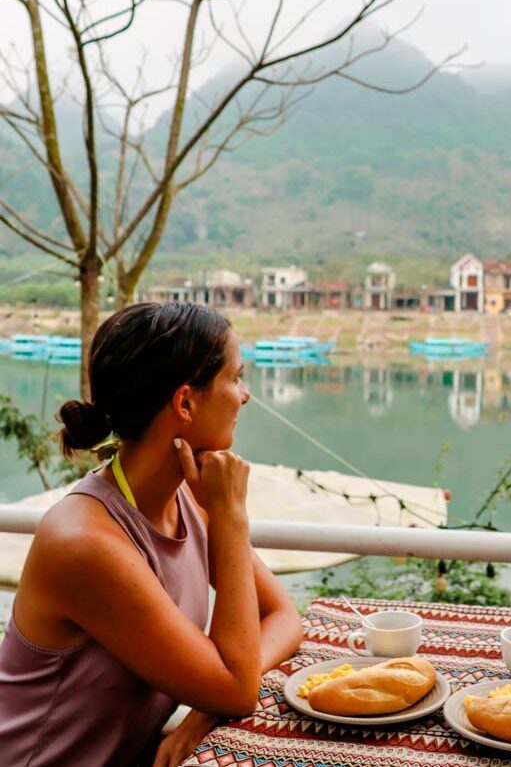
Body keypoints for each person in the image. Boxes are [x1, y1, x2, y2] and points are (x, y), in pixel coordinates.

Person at [0, 302, 303, 766]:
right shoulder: (85, 544)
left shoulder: (188, 501)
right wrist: (231, 516)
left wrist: (205, 707)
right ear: (185, 403)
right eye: (236, 377)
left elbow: (283, 616)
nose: (245, 395)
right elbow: (239, 689)